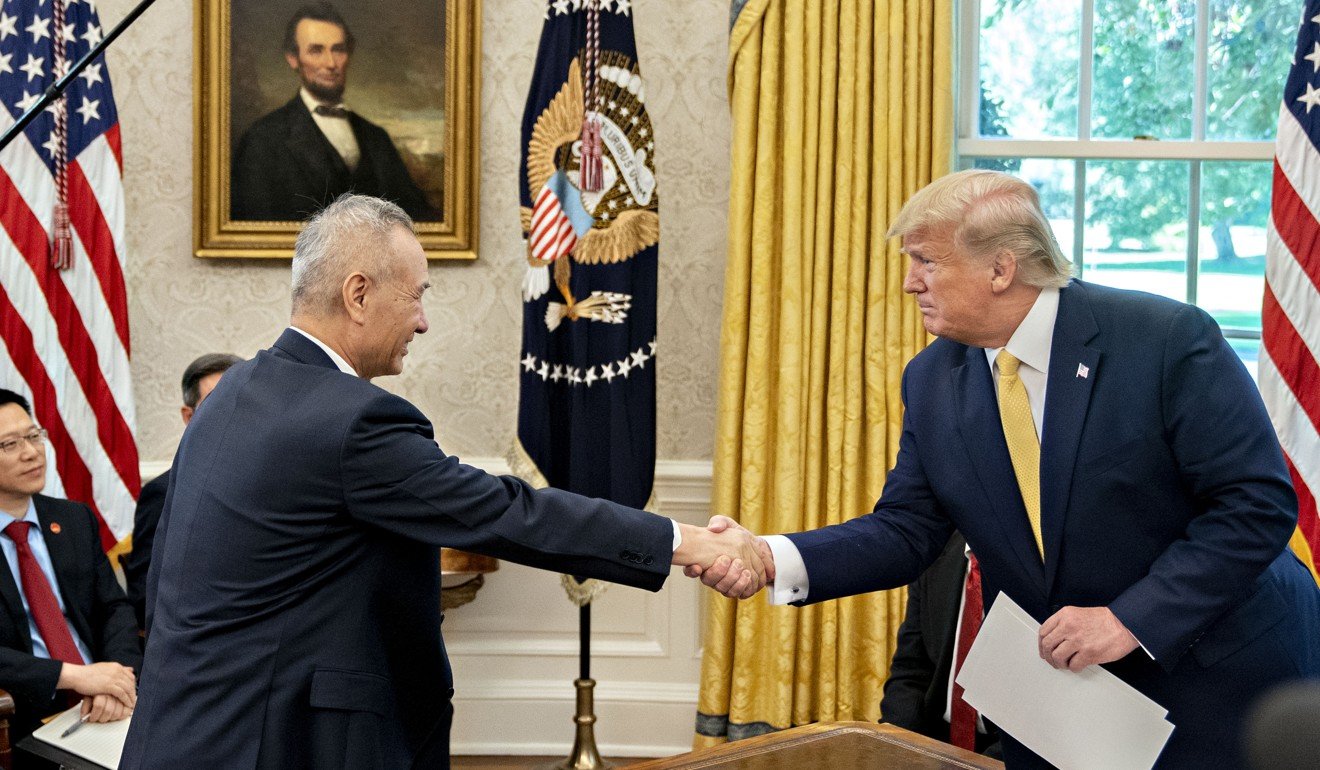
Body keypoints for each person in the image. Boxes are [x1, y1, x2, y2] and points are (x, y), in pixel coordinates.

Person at [693, 169, 1320, 767]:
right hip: (1064, 695)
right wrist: (769, 557)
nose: (911, 283)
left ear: (1001, 268)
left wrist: (1133, 618)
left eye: (927, 261)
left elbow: (1255, 505)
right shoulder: (935, 378)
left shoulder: (1164, 340)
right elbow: (907, 530)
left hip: (1214, 674)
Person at [119, 194, 768, 770]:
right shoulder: (350, 421)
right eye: (418, 293)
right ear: (359, 293)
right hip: (280, 744)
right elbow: (512, 514)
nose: (424, 321)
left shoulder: (234, 393)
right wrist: (690, 543)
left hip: (188, 734)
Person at [0, 390, 140, 753]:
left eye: (33, 436)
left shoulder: (73, 519)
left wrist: (116, 676)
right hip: (25, 713)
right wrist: (76, 677)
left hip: (106, 697)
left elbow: (114, 608)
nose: (31, 452)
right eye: (9, 444)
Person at [230, 3, 435, 222]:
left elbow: (417, 219)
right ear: (293, 58)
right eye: (316, 50)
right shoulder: (262, 140)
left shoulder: (377, 139)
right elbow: (254, 225)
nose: (331, 63)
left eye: (338, 49)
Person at [121, 353, 242, 632]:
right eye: (217, 403)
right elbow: (144, 596)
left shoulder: (277, 477)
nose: (235, 412)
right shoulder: (163, 493)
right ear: (189, 416)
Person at [879, 532, 1000, 758]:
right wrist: (896, 746)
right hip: (935, 744)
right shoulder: (934, 551)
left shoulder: (1043, 567)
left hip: (1008, 752)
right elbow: (911, 671)